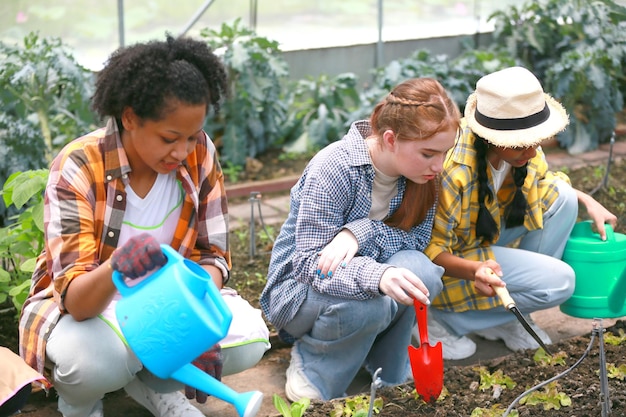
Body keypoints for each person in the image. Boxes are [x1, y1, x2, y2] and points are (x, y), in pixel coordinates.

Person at [18, 35, 270, 417]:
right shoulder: (79, 166)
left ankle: (157, 385)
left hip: (171, 299)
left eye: (191, 136)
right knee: (87, 364)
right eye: (170, 138)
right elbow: (77, 302)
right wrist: (116, 267)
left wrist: (193, 320)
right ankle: (82, 403)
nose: (183, 151)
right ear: (130, 116)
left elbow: (211, 255)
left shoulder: (199, 152)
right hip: (97, 308)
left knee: (249, 338)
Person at [260, 77, 460, 401]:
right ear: (391, 139)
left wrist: (361, 231)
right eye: (428, 153)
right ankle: (314, 362)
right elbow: (310, 266)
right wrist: (376, 275)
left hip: (357, 283)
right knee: (371, 305)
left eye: (444, 153)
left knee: (420, 275)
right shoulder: (335, 167)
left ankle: (383, 362)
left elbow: (417, 241)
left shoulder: (423, 177)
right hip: (298, 294)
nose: (438, 165)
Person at [423, 66, 618, 360]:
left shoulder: (522, 151)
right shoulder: (455, 170)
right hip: (456, 260)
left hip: (485, 236)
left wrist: (586, 200)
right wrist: (476, 271)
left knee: (563, 197)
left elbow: (543, 183)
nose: (531, 151)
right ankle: (442, 320)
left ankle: (509, 318)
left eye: (534, 139)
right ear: (490, 137)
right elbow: (431, 251)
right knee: (560, 282)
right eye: (521, 143)